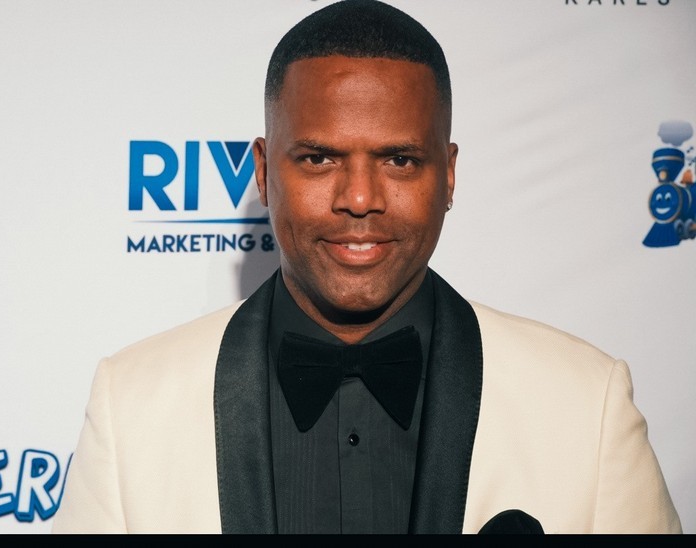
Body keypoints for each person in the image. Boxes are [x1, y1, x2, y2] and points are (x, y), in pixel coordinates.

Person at [51, 0, 681, 534]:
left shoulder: (586, 405)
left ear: (449, 175)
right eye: (319, 158)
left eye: (399, 160)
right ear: (264, 172)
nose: (359, 198)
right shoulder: (131, 406)